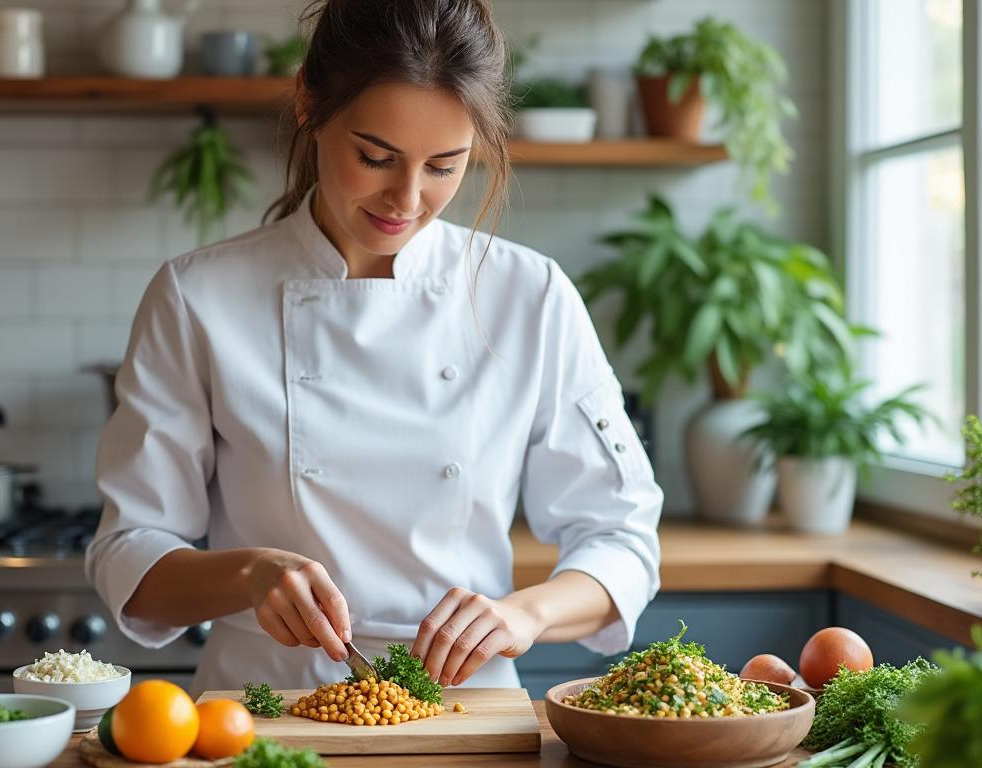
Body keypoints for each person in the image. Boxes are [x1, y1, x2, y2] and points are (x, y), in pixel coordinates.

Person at [86, 0, 662, 694]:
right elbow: (128, 554)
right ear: (309, 104)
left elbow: (622, 540)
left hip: (464, 708)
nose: (407, 199)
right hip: (267, 705)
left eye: (444, 166)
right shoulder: (198, 296)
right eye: (376, 157)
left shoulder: (528, 295)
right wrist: (249, 573)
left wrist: (524, 614)